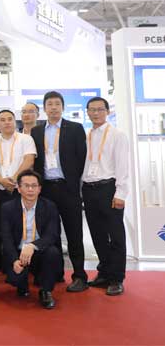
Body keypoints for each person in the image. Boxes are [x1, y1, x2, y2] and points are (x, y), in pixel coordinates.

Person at [31, 90, 88, 292]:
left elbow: (82, 158)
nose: (53, 107)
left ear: (63, 107)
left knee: (74, 233)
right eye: (50, 104)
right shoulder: (36, 131)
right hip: (46, 189)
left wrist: (75, 184)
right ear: (44, 108)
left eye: (57, 104)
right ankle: (55, 272)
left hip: (68, 188)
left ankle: (79, 275)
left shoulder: (75, 128)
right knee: (50, 234)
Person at [82, 97, 129, 296]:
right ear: (87, 112)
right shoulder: (86, 136)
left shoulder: (117, 135)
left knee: (115, 235)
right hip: (89, 189)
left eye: (100, 109)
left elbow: (122, 166)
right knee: (97, 234)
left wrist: (121, 193)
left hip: (108, 188)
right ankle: (104, 272)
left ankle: (117, 278)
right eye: (92, 110)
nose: (95, 113)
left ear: (107, 111)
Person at [1, 169, 62, 309]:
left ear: (39, 189)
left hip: (38, 251)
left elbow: (52, 234)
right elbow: (6, 237)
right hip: (17, 253)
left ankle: (46, 291)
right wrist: (14, 260)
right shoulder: (7, 208)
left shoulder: (49, 206)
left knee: (52, 252)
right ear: (18, 188)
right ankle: (22, 283)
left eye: (34, 186)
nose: (30, 189)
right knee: (15, 279)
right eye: (26, 186)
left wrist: (32, 246)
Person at [0, 110, 36, 258]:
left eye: (10, 119)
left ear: (15, 121)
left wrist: (14, 179)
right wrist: (1, 181)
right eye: (2, 120)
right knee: (1, 226)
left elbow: (29, 160)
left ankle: (23, 257)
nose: (7, 122)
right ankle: (4, 260)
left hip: (21, 190)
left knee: (21, 225)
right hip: (0, 190)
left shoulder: (26, 139)